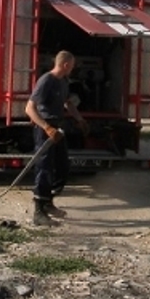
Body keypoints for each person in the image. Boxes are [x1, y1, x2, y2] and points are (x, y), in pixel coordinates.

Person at [25, 50, 88, 226]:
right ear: (66, 65)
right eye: (72, 66)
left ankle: (48, 202)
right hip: (45, 129)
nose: (73, 69)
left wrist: (80, 119)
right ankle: (39, 212)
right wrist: (46, 128)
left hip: (58, 128)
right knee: (44, 167)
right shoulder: (47, 81)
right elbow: (29, 108)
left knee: (62, 166)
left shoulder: (63, 81)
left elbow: (67, 103)